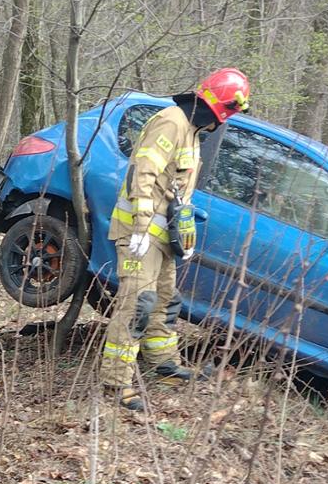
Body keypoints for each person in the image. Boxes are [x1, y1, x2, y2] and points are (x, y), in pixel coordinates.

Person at [100, 68, 251, 411]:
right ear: (219, 109)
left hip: (163, 235)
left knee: (166, 299)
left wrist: (183, 232)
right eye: (227, 115)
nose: (223, 125)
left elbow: (177, 190)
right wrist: (139, 225)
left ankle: (163, 364)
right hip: (141, 234)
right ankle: (116, 381)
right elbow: (145, 171)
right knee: (137, 303)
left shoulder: (193, 132)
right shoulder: (171, 122)